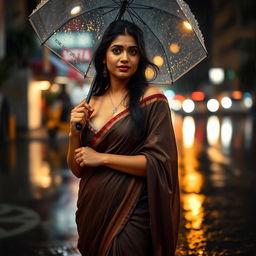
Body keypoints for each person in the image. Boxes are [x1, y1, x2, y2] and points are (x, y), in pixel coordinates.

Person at [67, 20, 180, 256]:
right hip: (92, 210)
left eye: (133, 51)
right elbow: (78, 168)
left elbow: (160, 163)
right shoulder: (89, 105)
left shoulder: (152, 99)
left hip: (133, 210)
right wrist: (74, 133)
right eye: (117, 50)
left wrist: (104, 158)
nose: (125, 58)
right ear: (104, 56)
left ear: (140, 59)